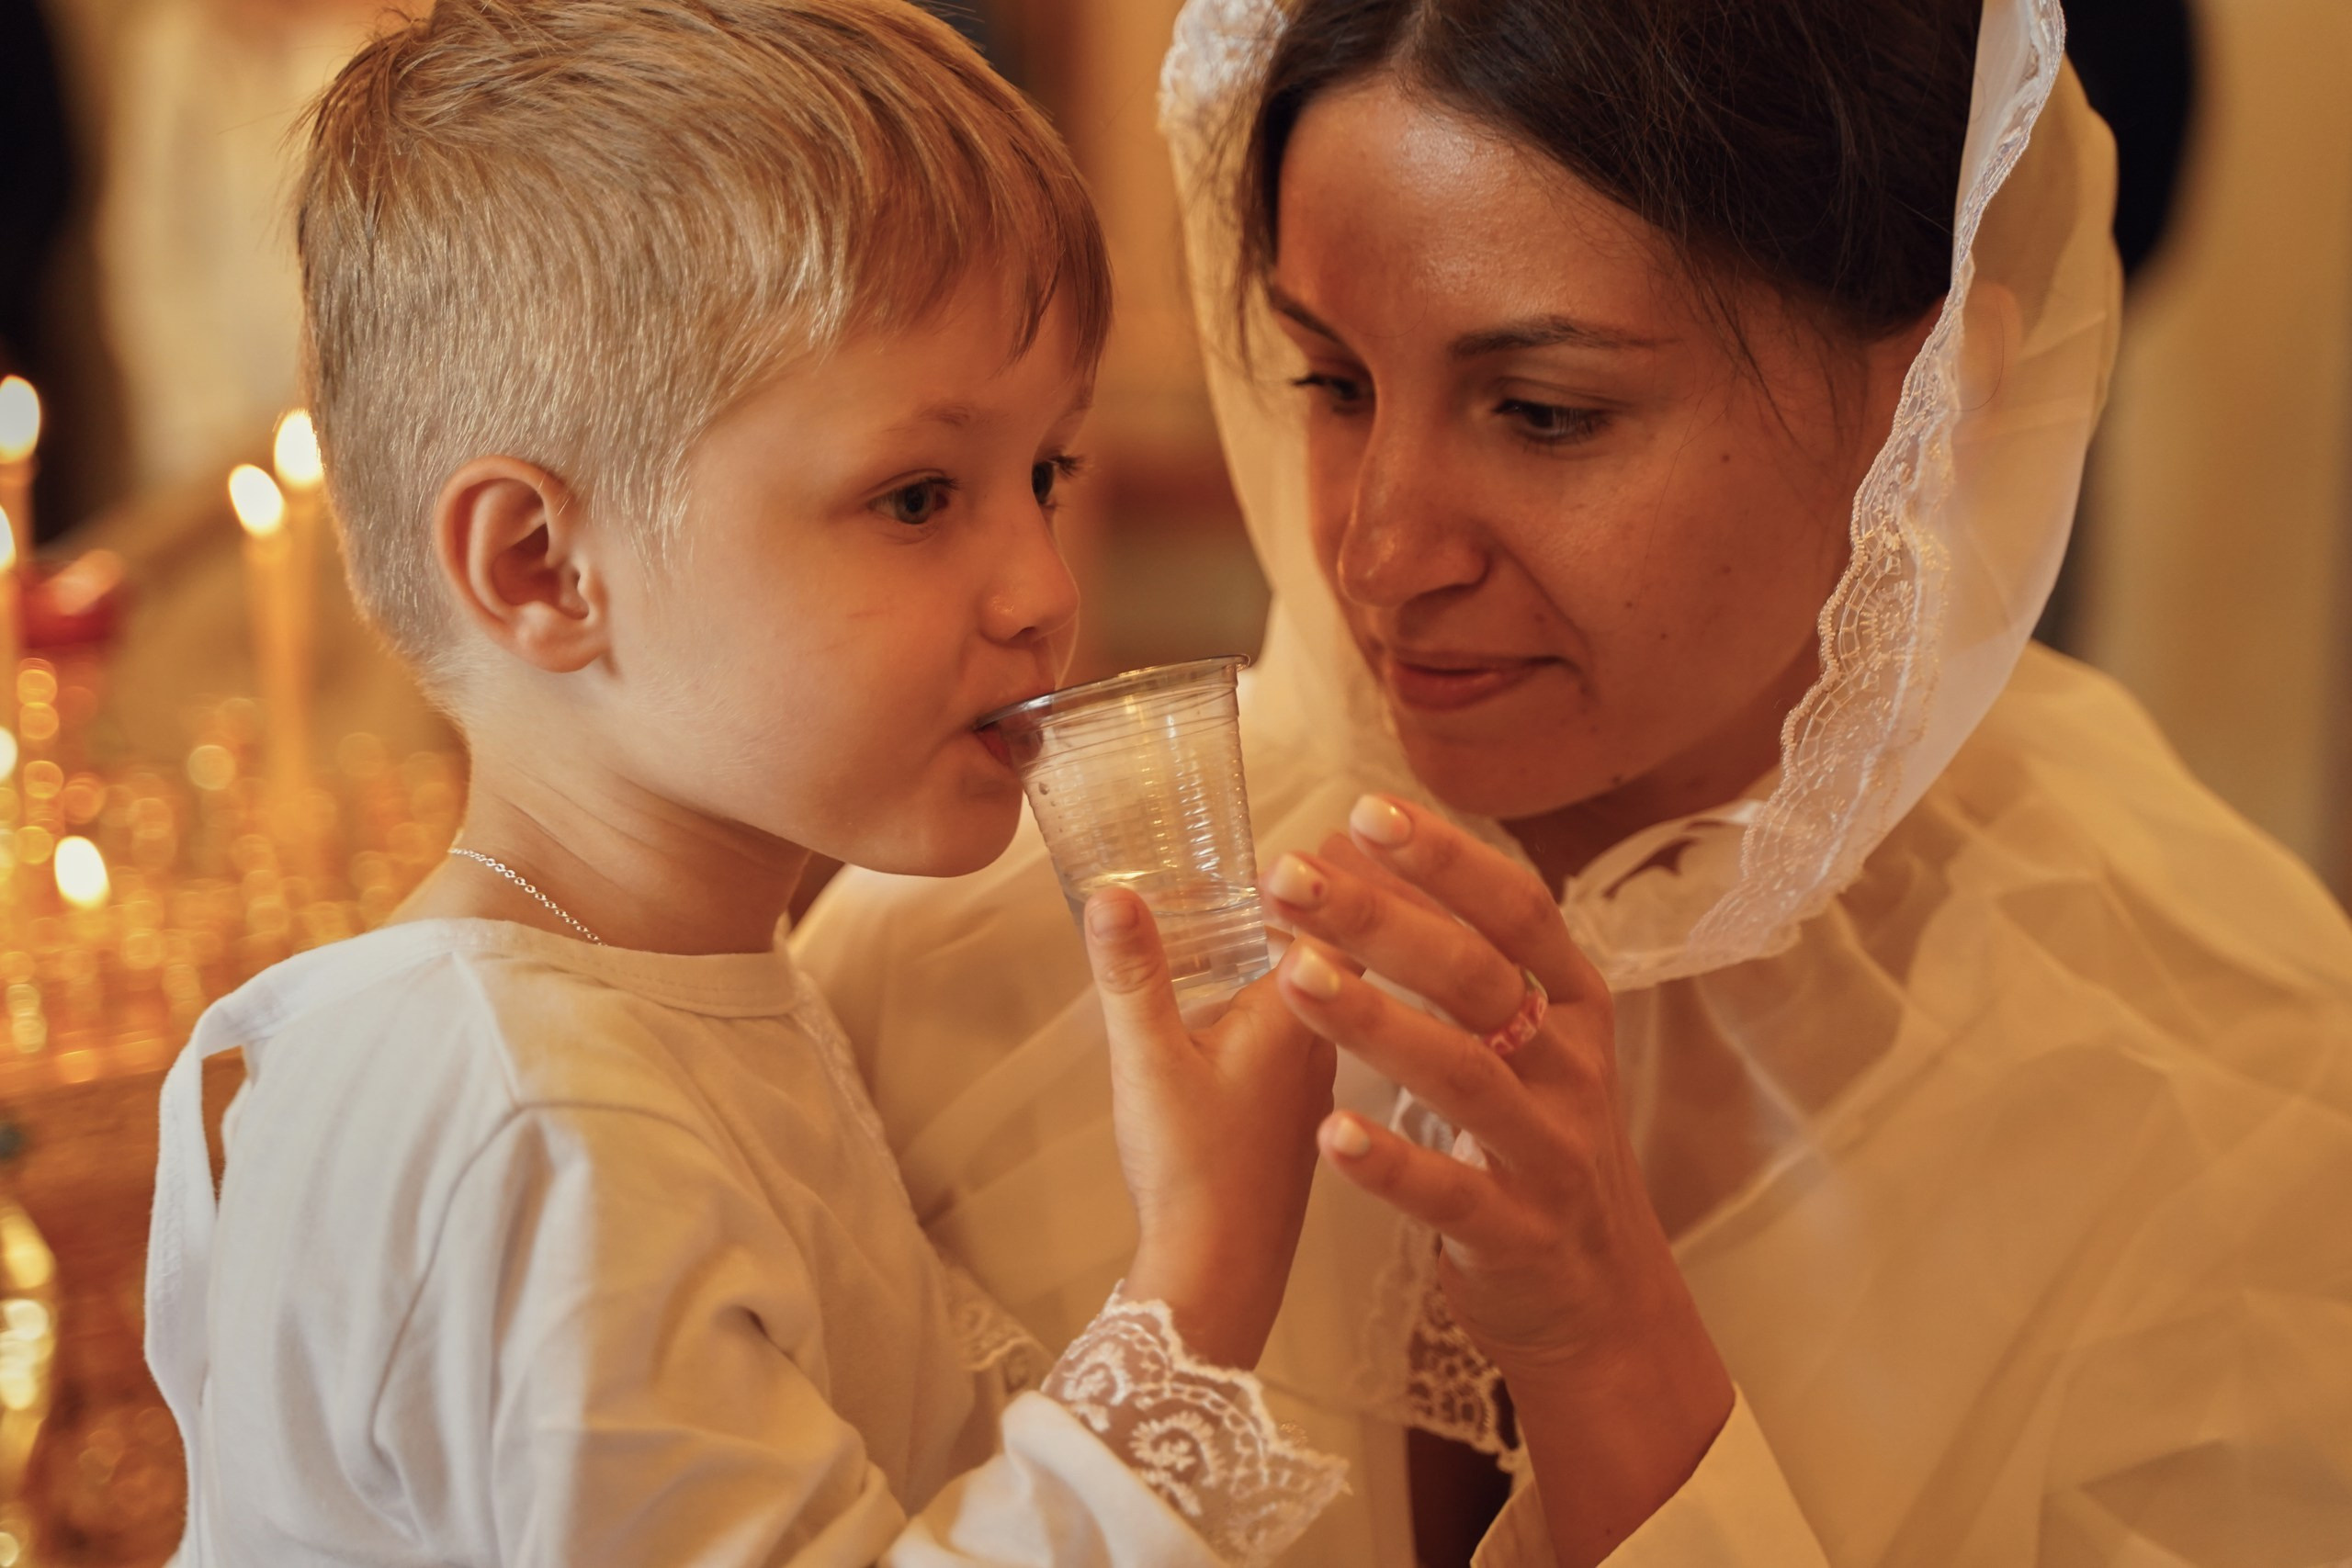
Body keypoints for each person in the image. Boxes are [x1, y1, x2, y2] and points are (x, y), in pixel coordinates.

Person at [793, 0, 2352, 1562]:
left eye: (1547, 412)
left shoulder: (2221, 1087)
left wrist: (1618, 1362)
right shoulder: (982, 949)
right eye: (1332, 383)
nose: (1384, 555)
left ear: (1939, 394)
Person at [141, 2, 1351, 1562]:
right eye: (918, 497)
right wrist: (1203, 1274)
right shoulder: (520, 1103)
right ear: (542, 566)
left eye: (1046, 475)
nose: (1040, 587)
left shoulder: (673, 1005)